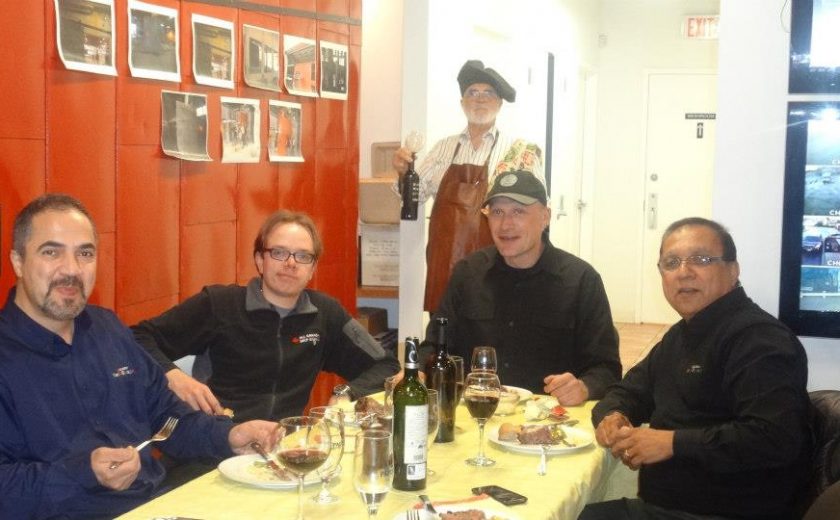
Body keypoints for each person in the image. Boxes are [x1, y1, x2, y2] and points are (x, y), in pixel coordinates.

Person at [0, 194, 279, 519]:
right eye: (51, 252)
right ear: (18, 261)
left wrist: (229, 435)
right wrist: (83, 473)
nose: (71, 270)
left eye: (85, 254)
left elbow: (168, 420)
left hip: (157, 507)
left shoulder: (107, 328)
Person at [579, 217, 812, 520]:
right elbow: (628, 390)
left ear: (733, 269)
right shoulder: (681, 336)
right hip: (668, 508)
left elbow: (774, 438)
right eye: (671, 262)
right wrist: (613, 416)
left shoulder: (760, 340)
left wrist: (672, 443)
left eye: (701, 259)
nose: (684, 273)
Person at [132, 209, 400, 422]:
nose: (291, 263)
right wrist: (173, 376)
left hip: (282, 448)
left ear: (312, 269)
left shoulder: (325, 314)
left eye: (303, 256)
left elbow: (385, 366)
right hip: (214, 445)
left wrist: (346, 394)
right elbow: (136, 337)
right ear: (260, 260)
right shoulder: (219, 304)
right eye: (279, 252)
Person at [424, 170, 620, 405]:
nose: (506, 224)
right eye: (497, 212)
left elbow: (607, 368)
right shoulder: (468, 273)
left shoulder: (580, 281)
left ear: (545, 217)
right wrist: (418, 372)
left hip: (550, 422)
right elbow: (435, 346)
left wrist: (585, 387)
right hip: (477, 414)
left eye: (518, 211)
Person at [392, 59, 545, 313]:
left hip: (498, 263)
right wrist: (402, 173)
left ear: (499, 103)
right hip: (444, 263)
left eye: (489, 94)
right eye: (472, 93)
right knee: (447, 334)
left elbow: (539, 214)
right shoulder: (444, 148)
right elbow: (413, 199)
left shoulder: (519, 152)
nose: (480, 99)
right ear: (462, 103)